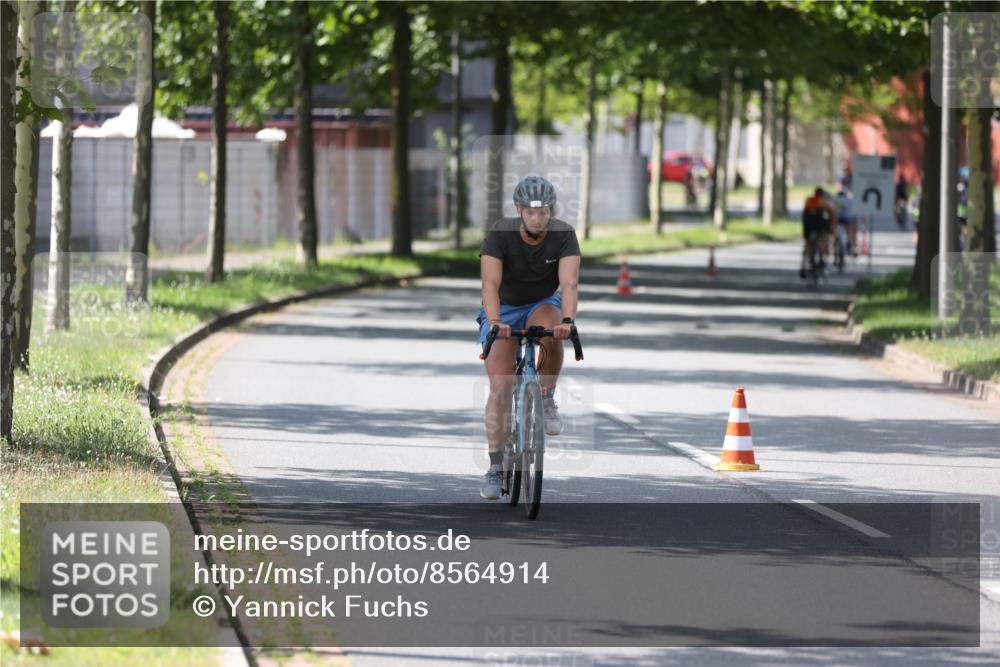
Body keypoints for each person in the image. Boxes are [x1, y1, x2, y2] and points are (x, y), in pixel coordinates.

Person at [476, 175, 581, 500]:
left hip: (541, 304)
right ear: (520, 210)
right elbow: (490, 285)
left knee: (553, 332)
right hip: (503, 308)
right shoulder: (500, 234)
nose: (537, 219)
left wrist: (568, 321)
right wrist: (495, 321)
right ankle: (496, 466)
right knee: (501, 386)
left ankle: (546, 398)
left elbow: (569, 284)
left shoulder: (564, 235)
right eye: (531, 212)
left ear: (551, 211)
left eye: (543, 212)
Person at [800, 187, 832, 279]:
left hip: (808, 222)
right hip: (818, 222)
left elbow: (804, 213)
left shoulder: (809, 200)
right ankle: (822, 259)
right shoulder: (823, 200)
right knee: (822, 239)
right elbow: (830, 213)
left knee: (807, 244)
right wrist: (829, 227)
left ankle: (803, 266)